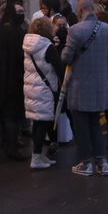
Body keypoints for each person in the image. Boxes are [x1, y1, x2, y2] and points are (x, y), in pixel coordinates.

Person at [63, 0, 108, 176]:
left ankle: (86, 163)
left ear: (79, 11)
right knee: (97, 124)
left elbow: (66, 58)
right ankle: (102, 163)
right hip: (100, 84)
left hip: (80, 85)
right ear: (93, 8)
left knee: (81, 125)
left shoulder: (74, 30)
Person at [22, 16, 65, 169]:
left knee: (38, 123)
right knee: (42, 123)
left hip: (32, 88)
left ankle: (39, 155)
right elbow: (59, 68)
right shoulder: (48, 47)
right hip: (45, 89)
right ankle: (36, 158)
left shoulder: (28, 45)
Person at [0, 1, 28, 160]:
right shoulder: (15, 32)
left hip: (2, 79)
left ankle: (7, 142)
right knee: (12, 115)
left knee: (7, 114)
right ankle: (11, 146)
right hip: (13, 80)